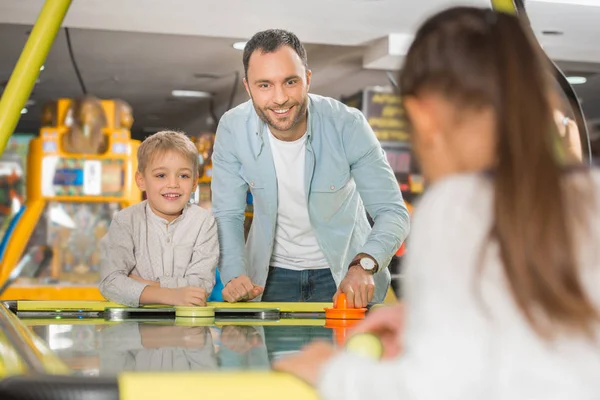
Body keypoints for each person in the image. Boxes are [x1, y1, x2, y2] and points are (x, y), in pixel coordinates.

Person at [274, 7, 600, 399]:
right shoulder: (589, 193)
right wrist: (423, 322)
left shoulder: (456, 207)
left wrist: (332, 372)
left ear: (421, 115)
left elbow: (429, 389)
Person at [211, 29, 410, 307]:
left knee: (344, 352)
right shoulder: (233, 128)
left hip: (343, 273)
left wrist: (364, 265)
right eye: (264, 85)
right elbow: (227, 214)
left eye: (290, 82)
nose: (279, 98)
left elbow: (392, 212)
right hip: (268, 278)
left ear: (307, 78)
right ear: (248, 87)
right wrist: (233, 274)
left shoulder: (348, 125)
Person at [99, 130, 219, 307]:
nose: (173, 184)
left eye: (183, 176)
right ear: (141, 180)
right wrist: (173, 295)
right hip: (134, 328)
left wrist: (143, 285)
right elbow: (110, 282)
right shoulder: (125, 220)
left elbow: (201, 285)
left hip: (187, 330)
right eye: (161, 175)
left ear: (194, 182)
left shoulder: (204, 222)